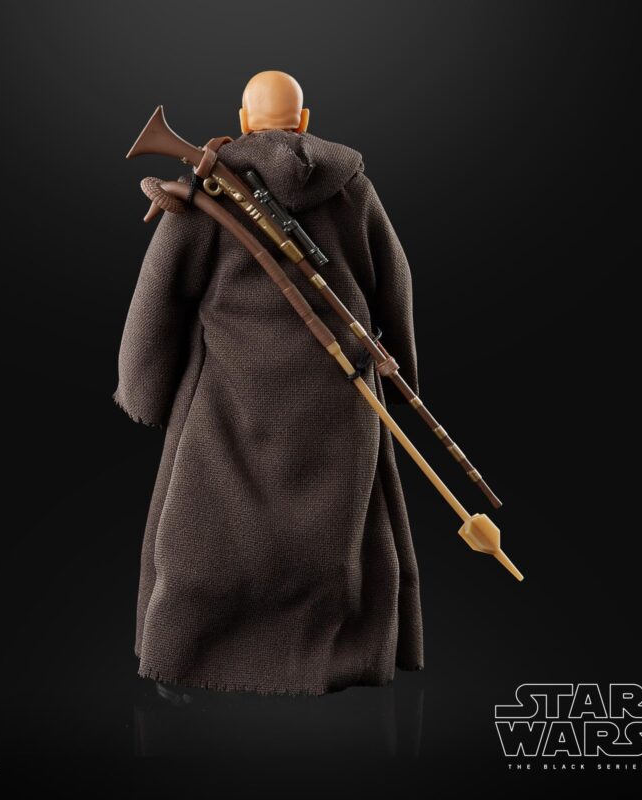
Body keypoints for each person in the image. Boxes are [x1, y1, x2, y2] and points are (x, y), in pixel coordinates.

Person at [114, 70, 423, 695]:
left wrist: (143, 387)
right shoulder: (352, 188)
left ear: (242, 121)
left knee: (205, 538)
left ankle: (190, 653)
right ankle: (348, 655)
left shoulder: (208, 188)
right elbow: (394, 280)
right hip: (343, 389)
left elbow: (158, 296)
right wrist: (403, 377)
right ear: (304, 121)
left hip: (229, 391)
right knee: (344, 540)